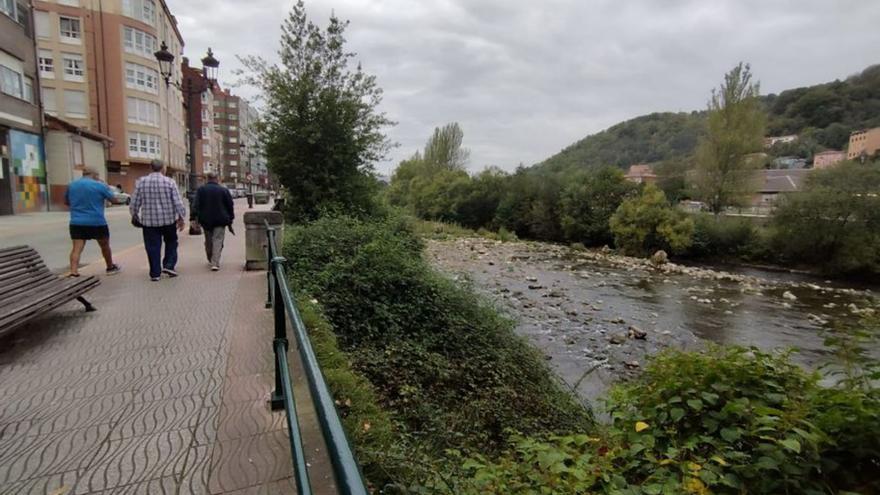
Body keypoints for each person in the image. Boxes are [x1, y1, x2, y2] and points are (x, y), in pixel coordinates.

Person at [129, 159, 187, 281]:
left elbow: (135, 202)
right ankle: (169, 265)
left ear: (151, 168)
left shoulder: (141, 182)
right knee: (171, 242)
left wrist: (134, 214)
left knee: (152, 246)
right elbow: (178, 202)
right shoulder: (169, 182)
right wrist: (181, 217)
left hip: (149, 222)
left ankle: (155, 273)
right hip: (168, 220)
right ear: (163, 168)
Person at [65, 167, 122, 277]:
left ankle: (74, 271)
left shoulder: (72, 185)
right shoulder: (100, 185)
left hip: (77, 222)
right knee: (105, 246)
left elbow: (67, 201)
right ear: (94, 175)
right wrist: (106, 188)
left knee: (76, 248)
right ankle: (110, 267)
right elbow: (114, 200)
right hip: (97, 221)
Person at [191, 171, 234, 271]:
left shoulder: (201, 190)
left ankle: (210, 257)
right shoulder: (223, 190)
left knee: (209, 240)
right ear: (217, 178)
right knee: (218, 240)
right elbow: (230, 205)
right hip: (221, 219)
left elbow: (195, 204)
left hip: (206, 220)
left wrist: (193, 217)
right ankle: (215, 262)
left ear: (207, 179)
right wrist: (230, 218)